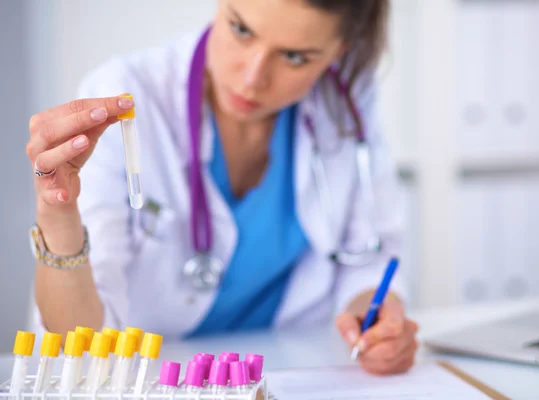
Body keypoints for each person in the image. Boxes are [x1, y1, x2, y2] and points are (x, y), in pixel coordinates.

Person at [26, 0, 418, 375]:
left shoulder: (344, 100)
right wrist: (56, 212)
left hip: (291, 368)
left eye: (295, 57)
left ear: (338, 52)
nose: (252, 78)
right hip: (154, 377)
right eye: (241, 29)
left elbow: (367, 258)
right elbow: (80, 342)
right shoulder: (129, 96)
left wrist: (378, 320)